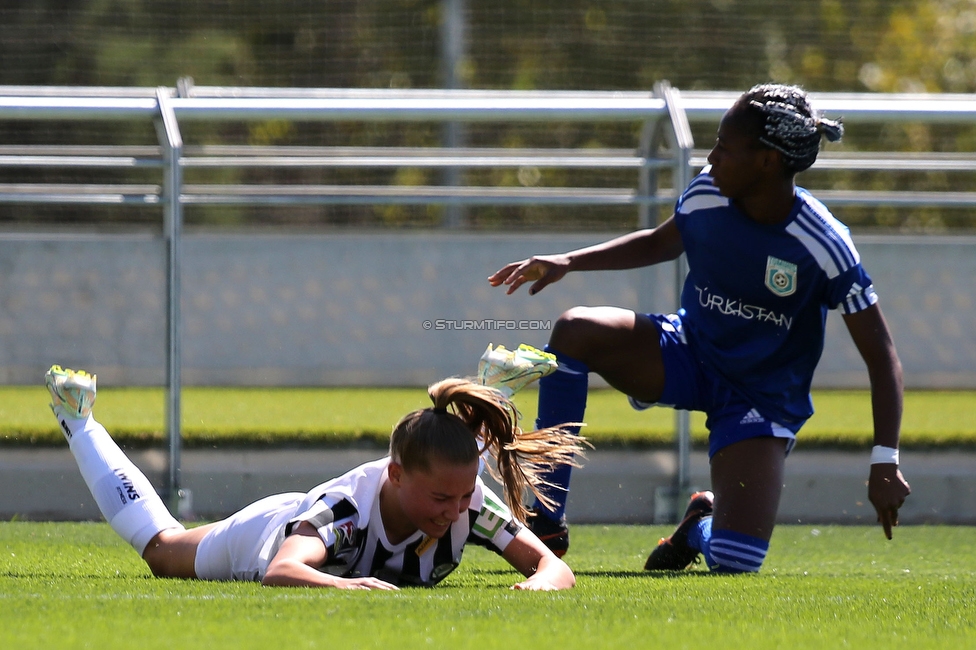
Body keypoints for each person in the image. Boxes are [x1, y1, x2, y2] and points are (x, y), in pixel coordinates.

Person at [487, 83, 911, 572]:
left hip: (760, 398)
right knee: (576, 329)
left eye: (726, 147)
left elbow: (883, 357)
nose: (712, 156)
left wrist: (885, 460)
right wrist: (568, 261)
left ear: (768, 161)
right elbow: (658, 243)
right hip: (688, 351)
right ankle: (546, 521)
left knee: (735, 560)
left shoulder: (825, 244)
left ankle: (698, 525)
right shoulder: (709, 190)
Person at [45, 348, 583, 590]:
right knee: (163, 552)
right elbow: (283, 571)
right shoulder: (346, 507)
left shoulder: (467, 503)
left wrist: (540, 586)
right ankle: (79, 419)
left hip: (316, 521)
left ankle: (490, 389)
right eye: (441, 499)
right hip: (270, 530)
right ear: (395, 477)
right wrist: (349, 587)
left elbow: (554, 568)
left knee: (458, 474)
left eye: (462, 496)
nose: (456, 510)